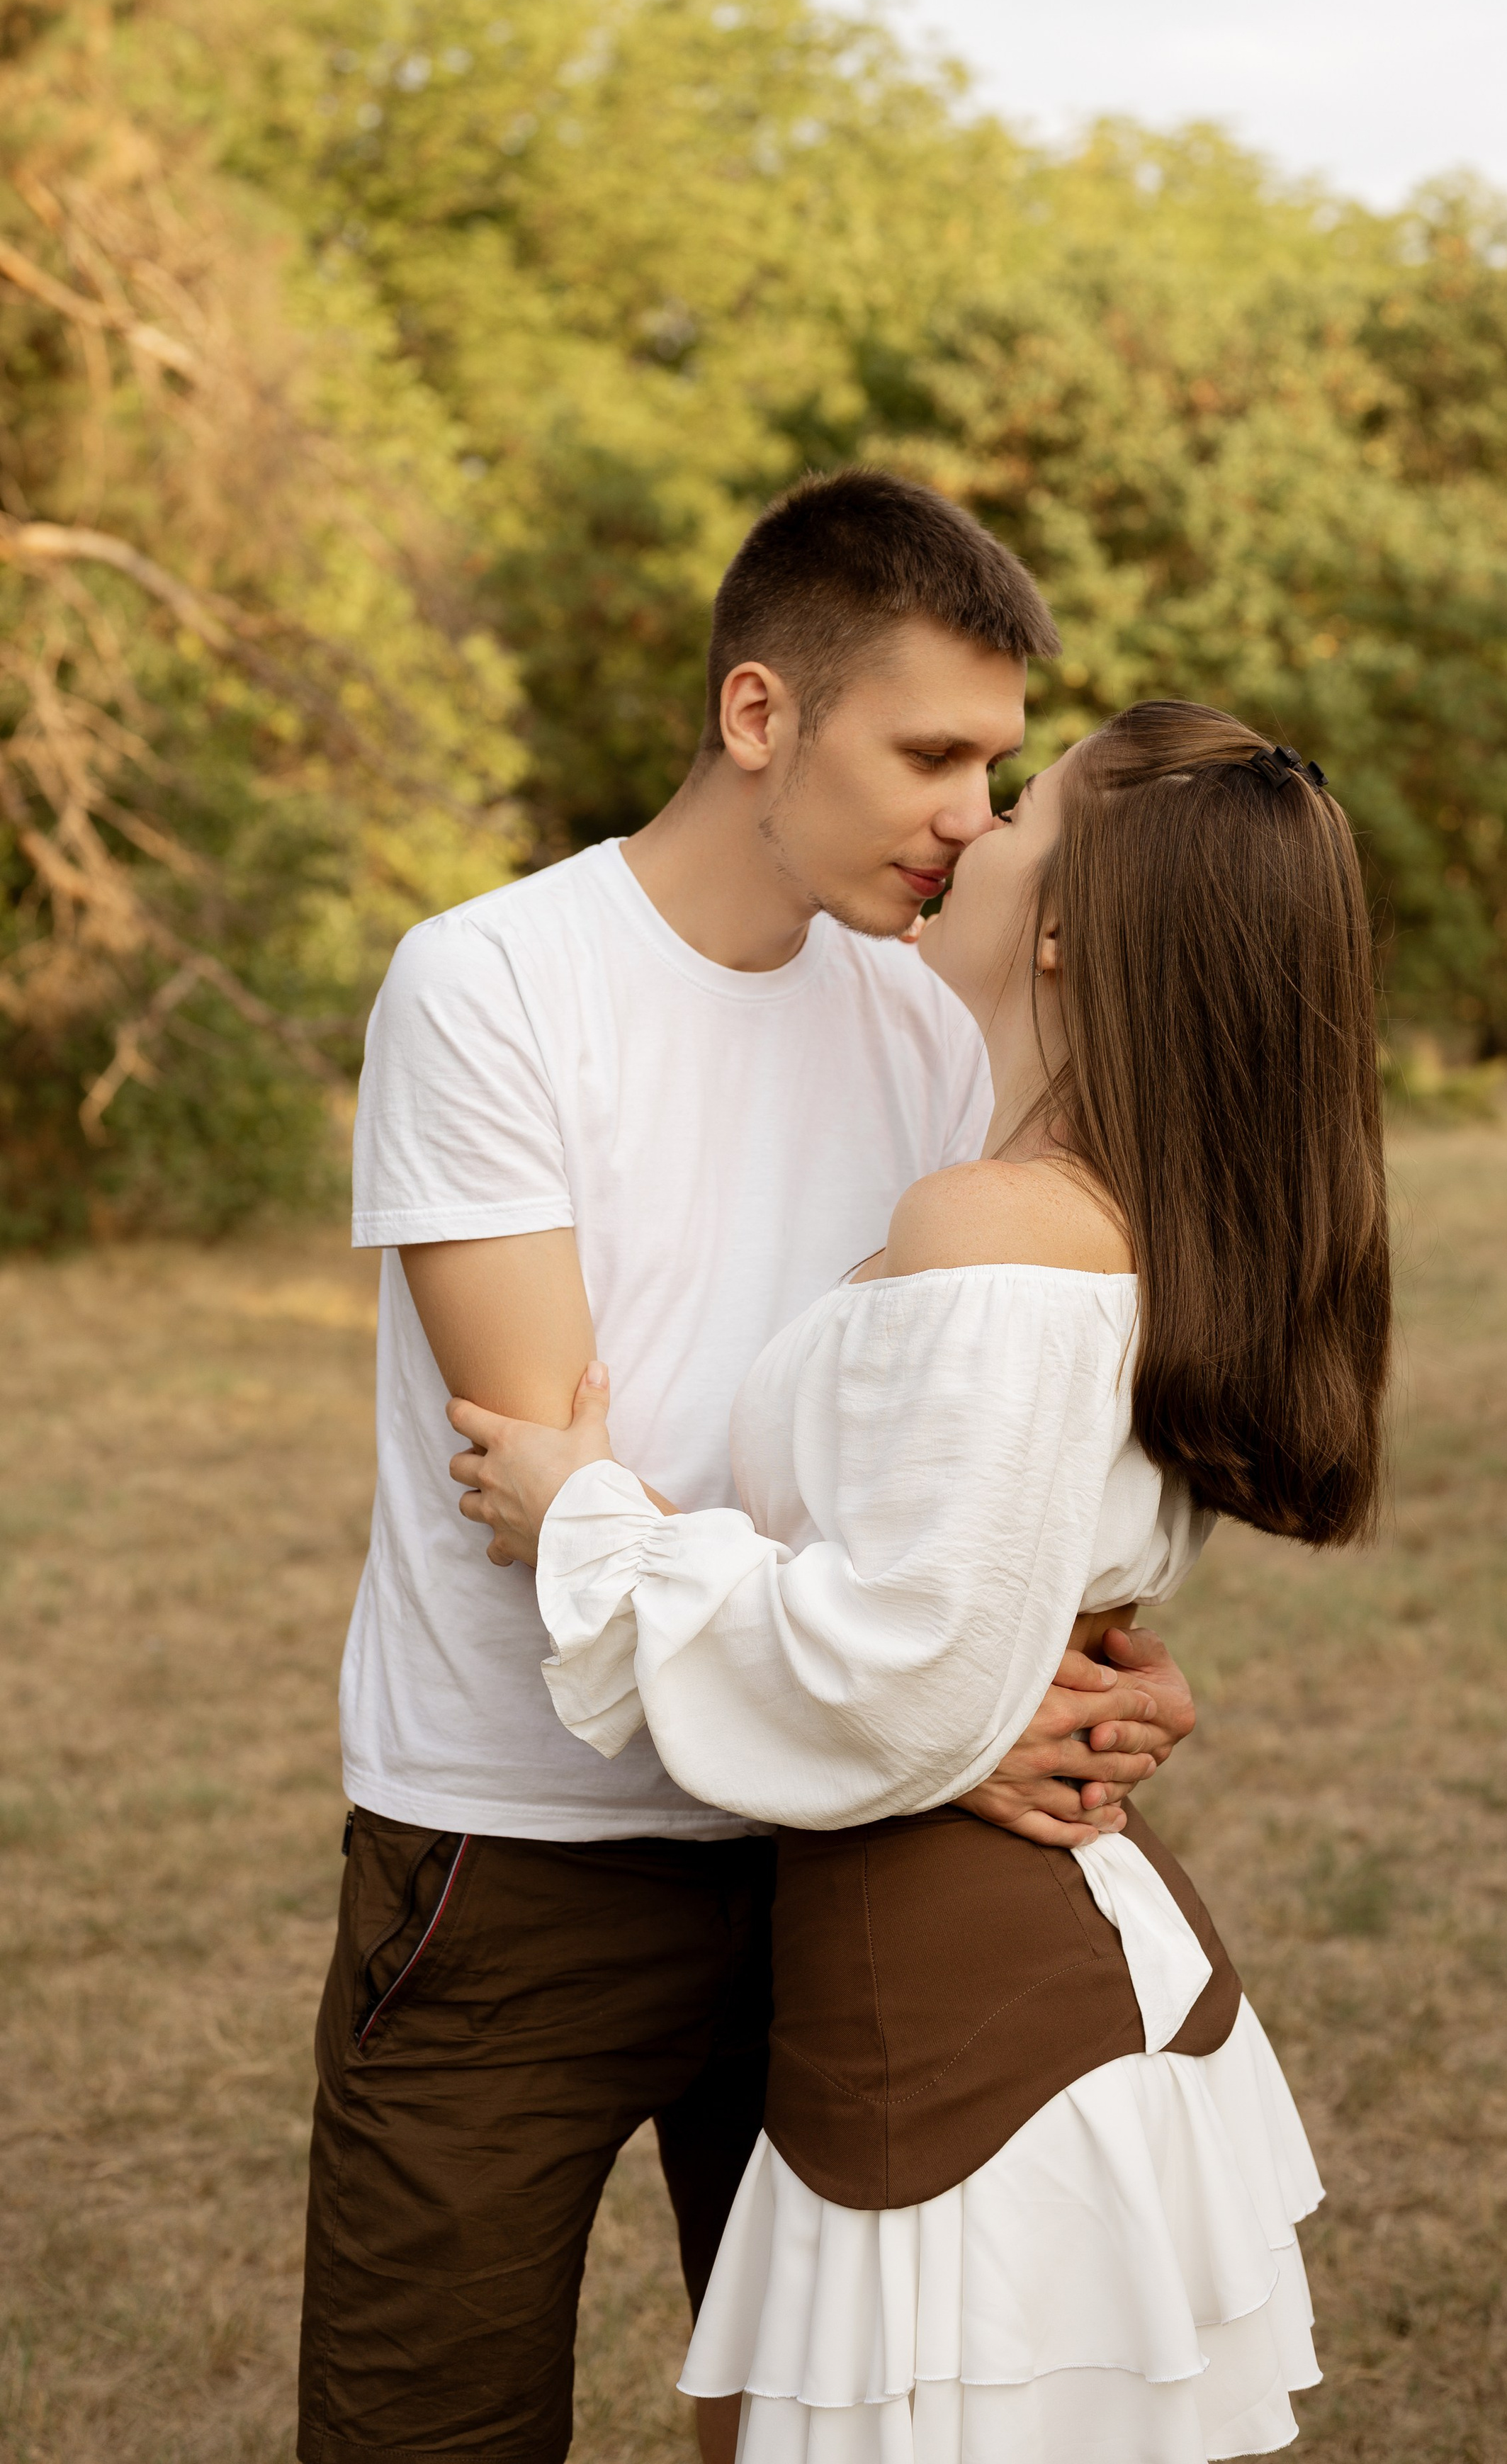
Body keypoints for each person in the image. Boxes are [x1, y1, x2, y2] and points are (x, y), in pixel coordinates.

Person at [298, 472, 1200, 2464]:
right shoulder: (494, 982)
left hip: (842, 1863)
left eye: (1001, 764)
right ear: (760, 715)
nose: (976, 813)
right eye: (935, 753)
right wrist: (948, 1704)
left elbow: (972, 1440)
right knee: (418, 2428)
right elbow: (536, 1471)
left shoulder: (929, 1013)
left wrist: (1056, 1653)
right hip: (517, 1849)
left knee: (834, 2424)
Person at [451, 700, 1393, 2460]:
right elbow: (981, 1595)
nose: (970, 823)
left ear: (1061, 925)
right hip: (1008, 1962)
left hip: (966, 2009)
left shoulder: (996, 1219)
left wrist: (590, 1518)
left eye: (1019, 803)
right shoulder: (1129, 1203)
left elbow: (891, 1673)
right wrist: (1060, 1657)